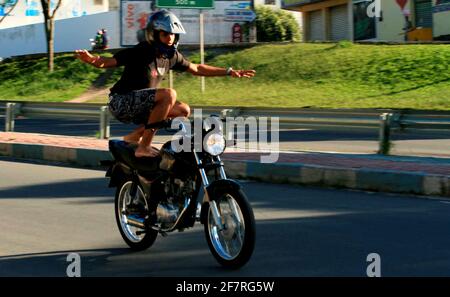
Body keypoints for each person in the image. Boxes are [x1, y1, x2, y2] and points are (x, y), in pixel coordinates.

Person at [75, 10, 255, 157]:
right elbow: (108, 62)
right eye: (165, 34)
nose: (170, 38)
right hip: (120, 102)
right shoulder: (143, 50)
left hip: (141, 105)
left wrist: (229, 71)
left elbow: (197, 68)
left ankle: (133, 137)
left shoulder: (172, 56)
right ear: (154, 34)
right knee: (169, 94)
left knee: (183, 110)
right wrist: (91, 59)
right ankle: (143, 146)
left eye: (173, 34)